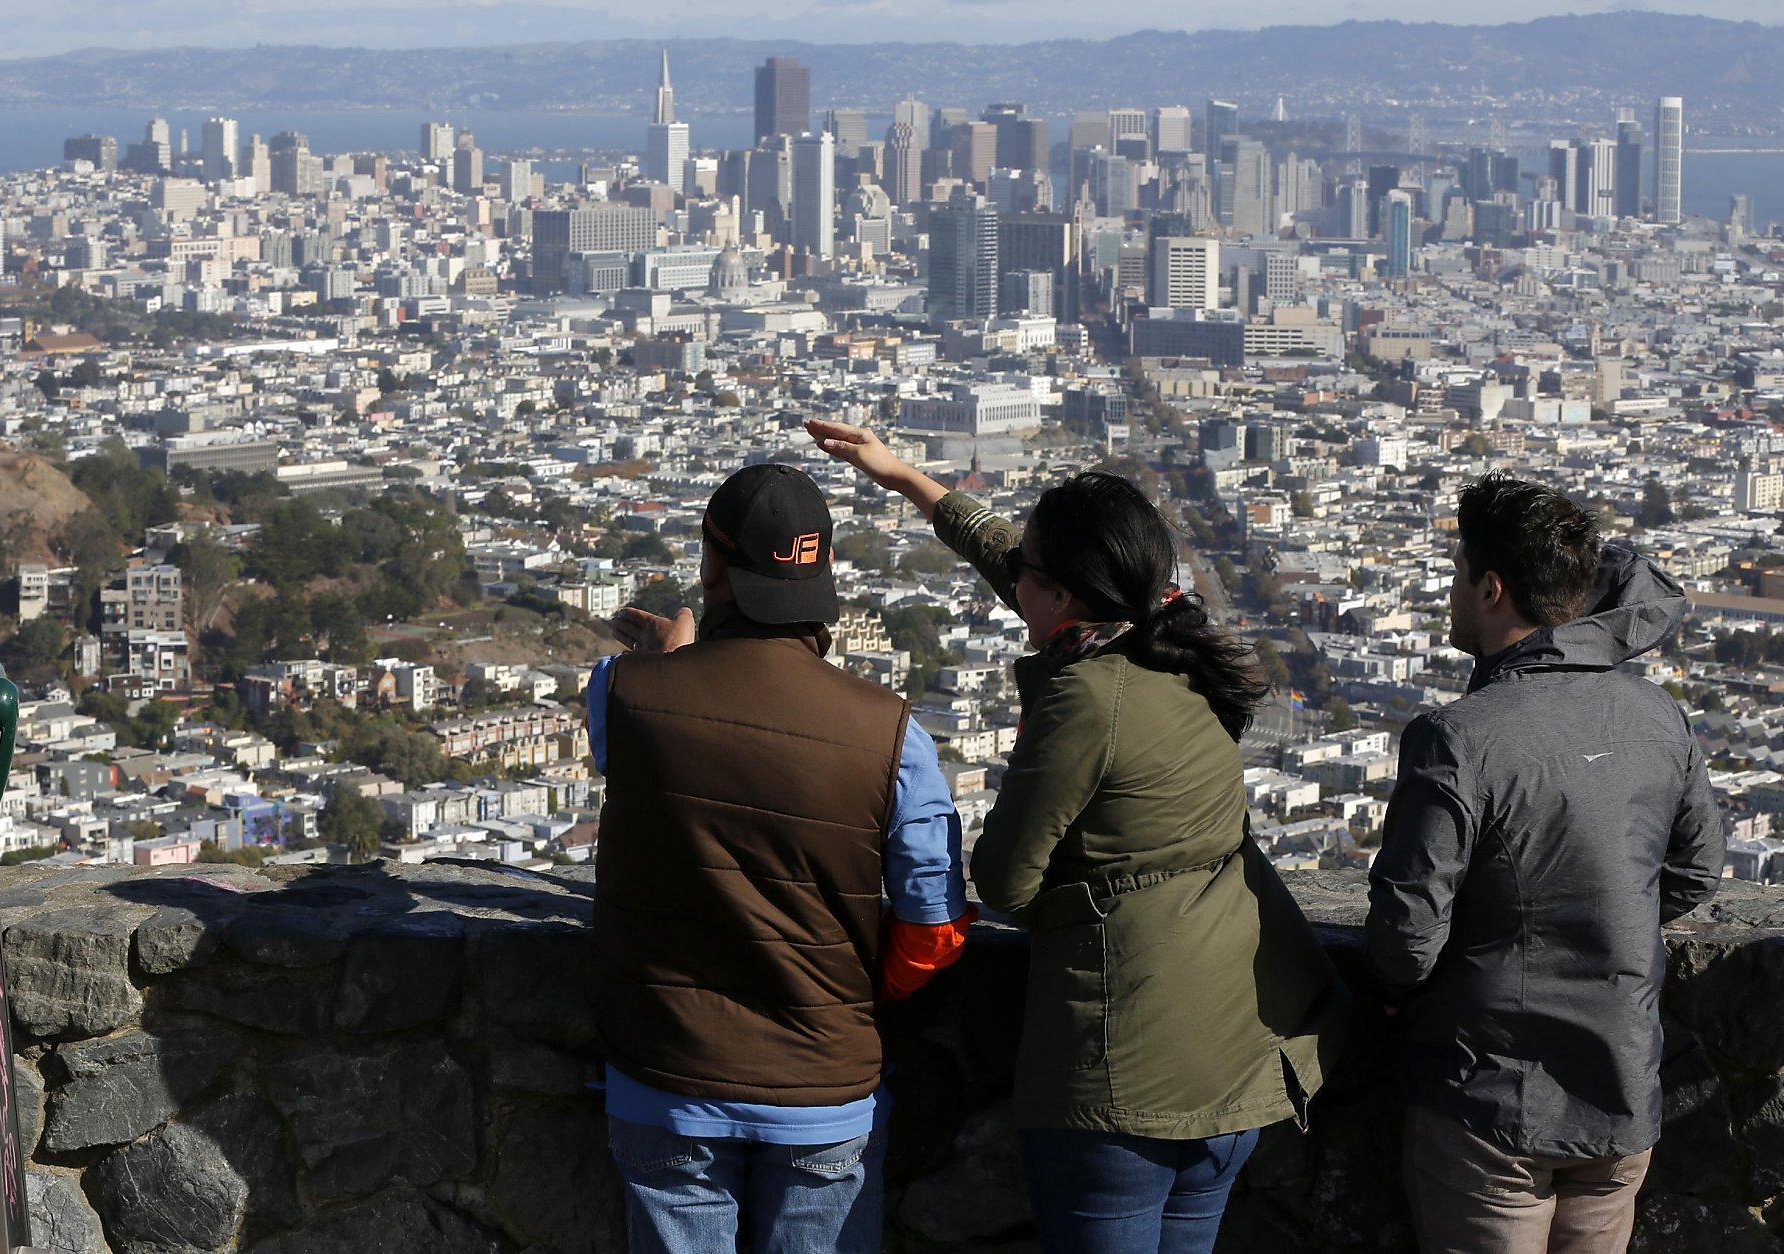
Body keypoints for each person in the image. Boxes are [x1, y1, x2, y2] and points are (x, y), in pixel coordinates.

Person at [808, 420, 1347, 1254]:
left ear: (1064, 596)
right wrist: (908, 480)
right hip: (1239, 1057)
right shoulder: (1167, 639)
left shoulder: (1085, 696)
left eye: (1031, 577)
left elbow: (1007, 881)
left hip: (1130, 1076)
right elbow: (1017, 565)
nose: (1016, 584)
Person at [587, 462, 975, 1254]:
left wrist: (670, 656)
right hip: (825, 1090)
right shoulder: (893, 736)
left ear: (712, 567)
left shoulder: (623, 693)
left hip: (669, 1076)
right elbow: (933, 923)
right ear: (822, 571)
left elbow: (633, 742)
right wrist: (862, 992)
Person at [1367, 475, 1723, 1254]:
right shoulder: (1657, 715)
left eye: (1460, 573)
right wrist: (1609, 913)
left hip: (1492, 1094)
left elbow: (1406, 929)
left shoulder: (1460, 735)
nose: (1452, 591)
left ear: (1493, 589)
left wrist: (1407, 996)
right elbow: (1696, 872)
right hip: (1622, 1082)